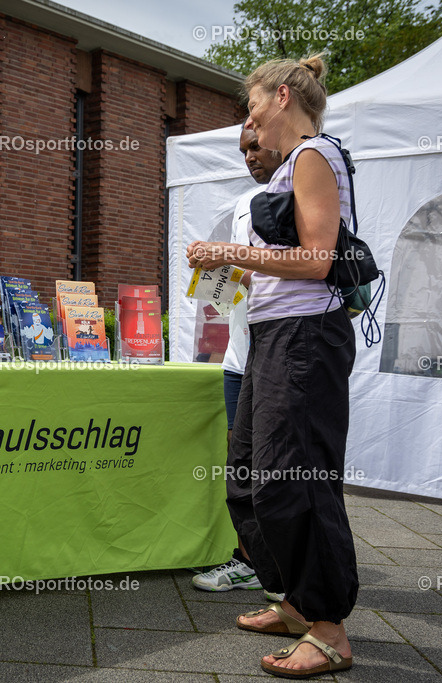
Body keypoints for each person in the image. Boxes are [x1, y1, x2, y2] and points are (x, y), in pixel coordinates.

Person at [187, 53, 358, 678]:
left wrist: (228, 250)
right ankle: (291, 601)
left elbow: (316, 259)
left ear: (281, 97)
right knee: (247, 476)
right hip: (272, 336)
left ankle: (329, 628)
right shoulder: (288, 168)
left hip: (307, 338)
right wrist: (228, 268)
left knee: (296, 481)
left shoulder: (317, 156)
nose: (249, 118)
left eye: (252, 105)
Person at [191, 125, 284, 598]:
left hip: (280, 355)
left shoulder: (299, 200)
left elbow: (299, 275)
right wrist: (213, 273)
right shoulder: (243, 207)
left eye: (255, 146)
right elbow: (224, 298)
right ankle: (249, 561)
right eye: (243, 150)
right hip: (238, 359)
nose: (249, 156)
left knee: (276, 467)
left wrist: (235, 266)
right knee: (242, 464)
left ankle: (285, 567)